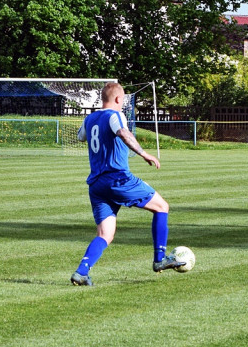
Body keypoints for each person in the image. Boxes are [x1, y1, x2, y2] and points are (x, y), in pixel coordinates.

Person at [70, 82, 182, 286]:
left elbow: (80, 137)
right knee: (162, 207)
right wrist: (144, 153)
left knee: (105, 234)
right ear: (118, 99)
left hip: (96, 185)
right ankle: (159, 259)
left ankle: (81, 272)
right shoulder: (116, 115)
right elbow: (123, 132)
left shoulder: (90, 118)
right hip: (118, 178)